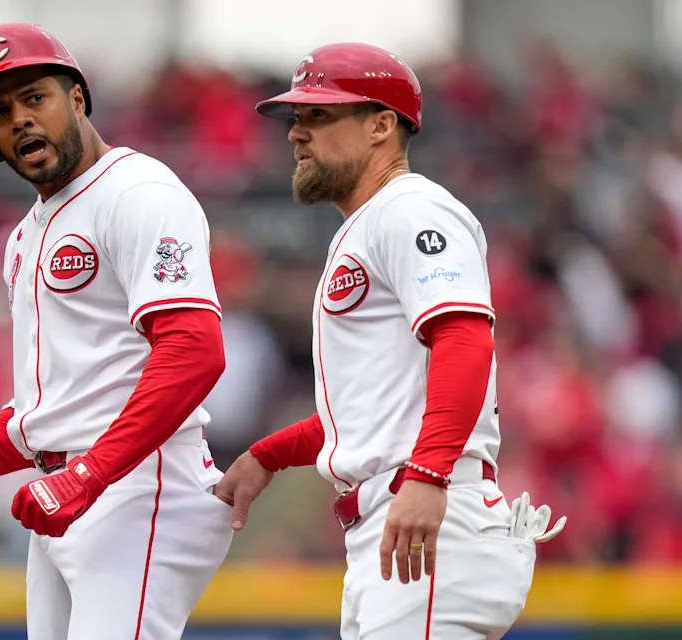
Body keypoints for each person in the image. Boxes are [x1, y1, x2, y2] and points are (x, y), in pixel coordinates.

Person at [214, 43, 566, 639]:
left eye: (318, 116)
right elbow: (371, 410)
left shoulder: (411, 209)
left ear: (381, 125)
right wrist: (267, 455)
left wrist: (428, 475)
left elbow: (464, 339)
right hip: (397, 518)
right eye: (296, 119)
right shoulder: (370, 223)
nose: (297, 134)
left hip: (430, 514)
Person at [0, 23, 233, 640]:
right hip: (69, 488)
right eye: (1, 112)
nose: (21, 120)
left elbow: (195, 352)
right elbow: (59, 406)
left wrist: (90, 474)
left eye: (36, 98)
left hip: (139, 483)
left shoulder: (138, 192)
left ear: (77, 100)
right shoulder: (24, 235)